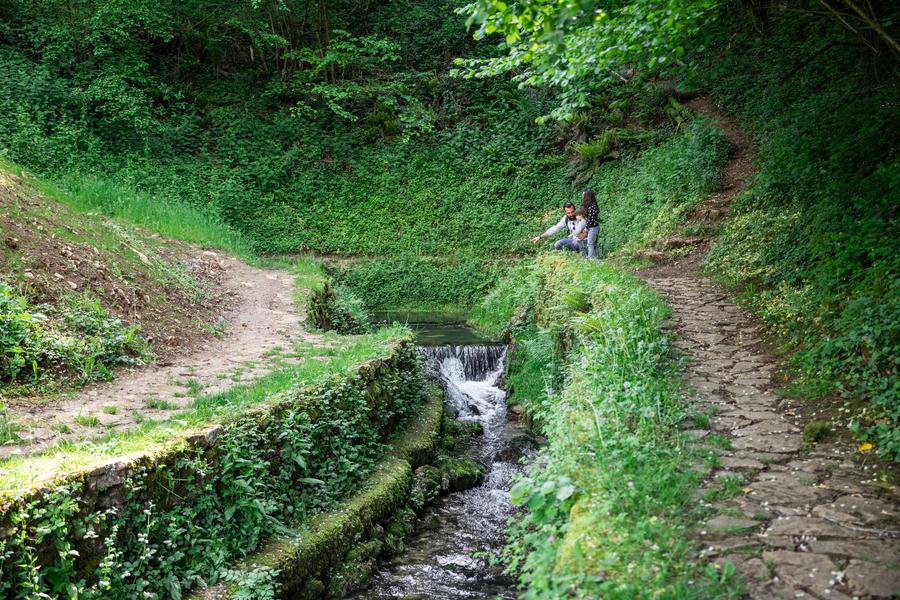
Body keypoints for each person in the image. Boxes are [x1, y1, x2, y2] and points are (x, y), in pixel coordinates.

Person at [581, 188, 600, 259]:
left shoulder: (592, 207)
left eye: (584, 195)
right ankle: (595, 258)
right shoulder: (590, 206)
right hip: (592, 227)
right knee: (592, 243)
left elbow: (590, 220)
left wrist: (586, 228)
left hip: (593, 228)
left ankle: (591, 258)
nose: (582, 197)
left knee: (590, 243)